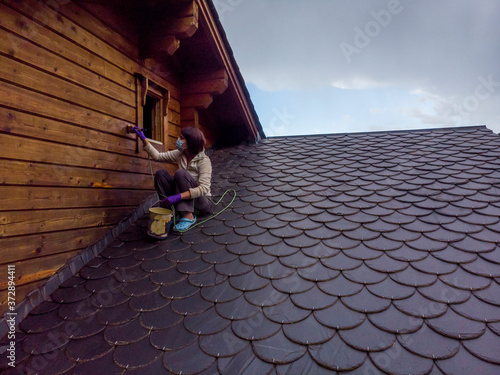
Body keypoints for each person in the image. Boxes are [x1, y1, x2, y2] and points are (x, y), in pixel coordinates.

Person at [134, 126, 214, 231]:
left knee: (180, 173)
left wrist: (178, 197)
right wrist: (144, 139)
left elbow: (203, 188)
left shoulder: (204, 161)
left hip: (201, 203)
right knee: (160, 174)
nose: (178, 140)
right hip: (184, 201)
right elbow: (158, 156)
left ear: (190, 141)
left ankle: (188, 216)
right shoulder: (180, 154)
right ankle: (171, 213)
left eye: (181, 138)